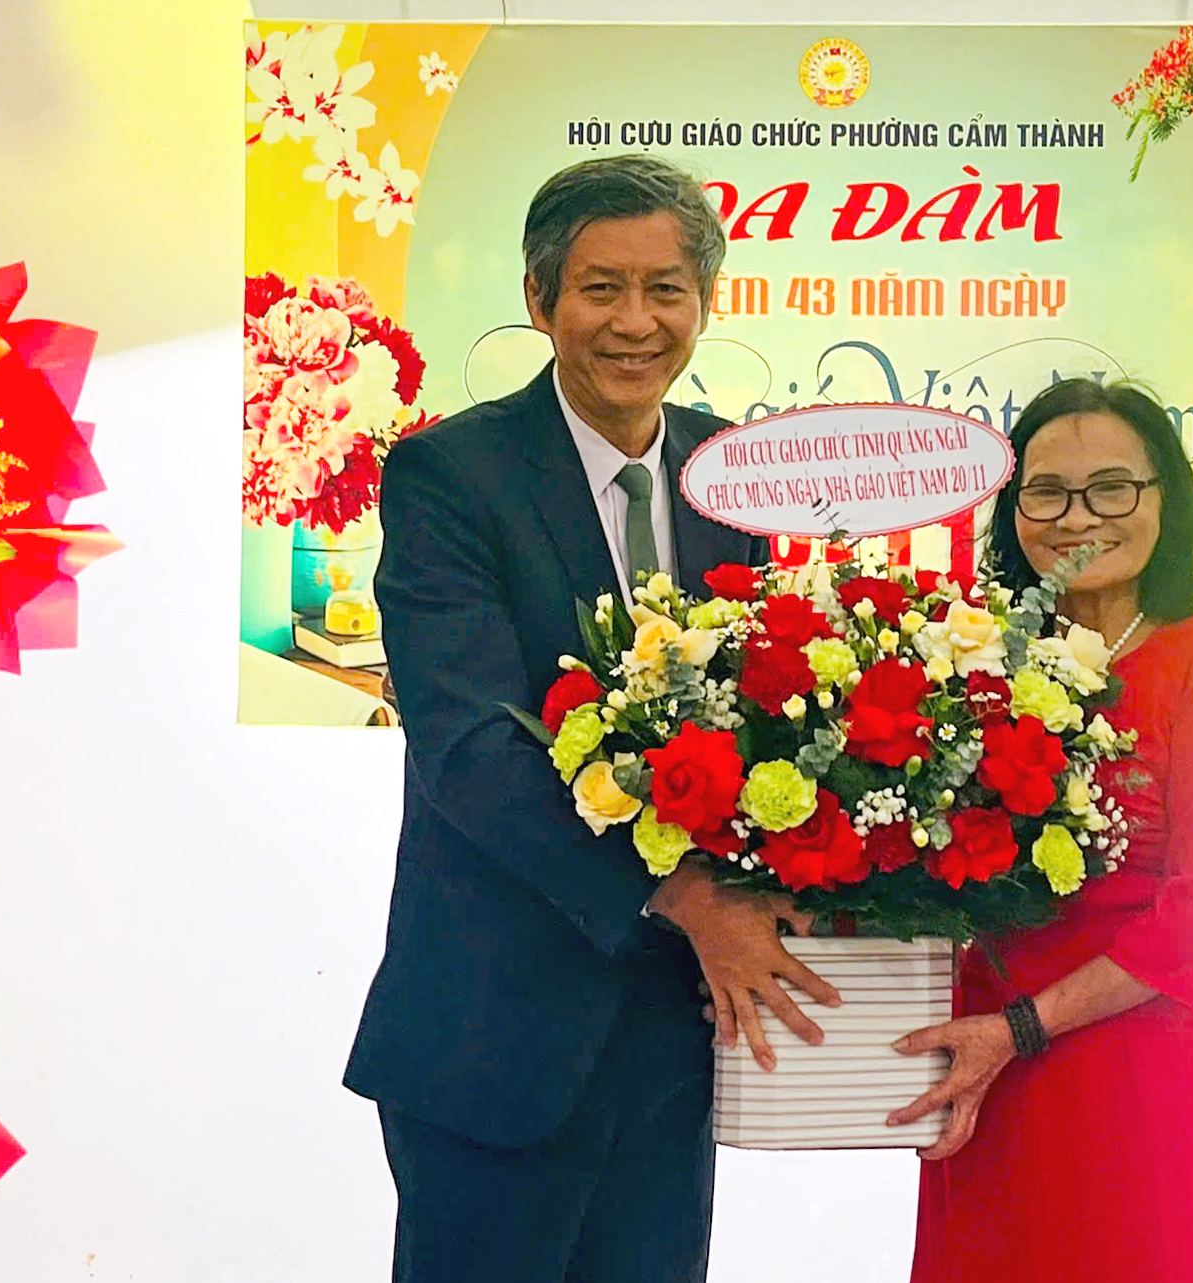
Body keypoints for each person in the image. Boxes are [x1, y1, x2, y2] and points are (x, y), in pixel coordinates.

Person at [344, 154, 839, 1283]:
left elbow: (759, 717)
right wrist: (686, 897)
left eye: (666, 289)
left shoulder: (729, 470)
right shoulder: (449, 474)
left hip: (674, 1040)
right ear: (539, 297)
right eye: (600, 287)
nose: (634, 321)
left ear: (705, 302)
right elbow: (470, 749)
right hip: (495, 1041)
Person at [893, 378, 1193, 1283]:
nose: (1078, 517)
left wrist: (1021, 1028)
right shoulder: (976, 661)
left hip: (1141, 1061)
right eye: (1047, 492)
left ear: (1163, 499)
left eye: (1112, 487)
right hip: (984, 1068)